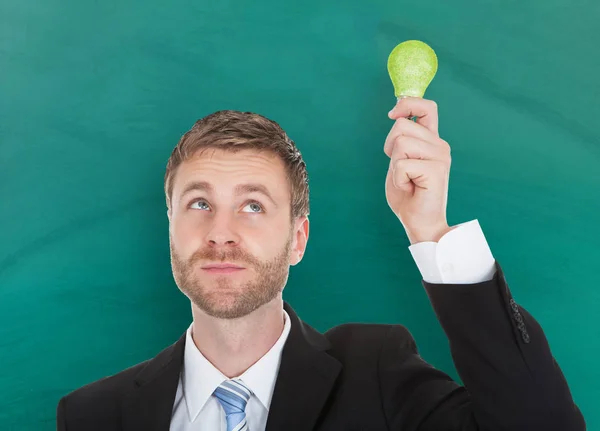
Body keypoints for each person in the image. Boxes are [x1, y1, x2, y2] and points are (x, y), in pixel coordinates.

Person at [56, 98, 585, 431]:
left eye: (253, 205)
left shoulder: (377, 372)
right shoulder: (91, 415)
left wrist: (430, 227)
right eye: (199, 203)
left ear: (298, 239)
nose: (220, 232)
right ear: (170, 228)